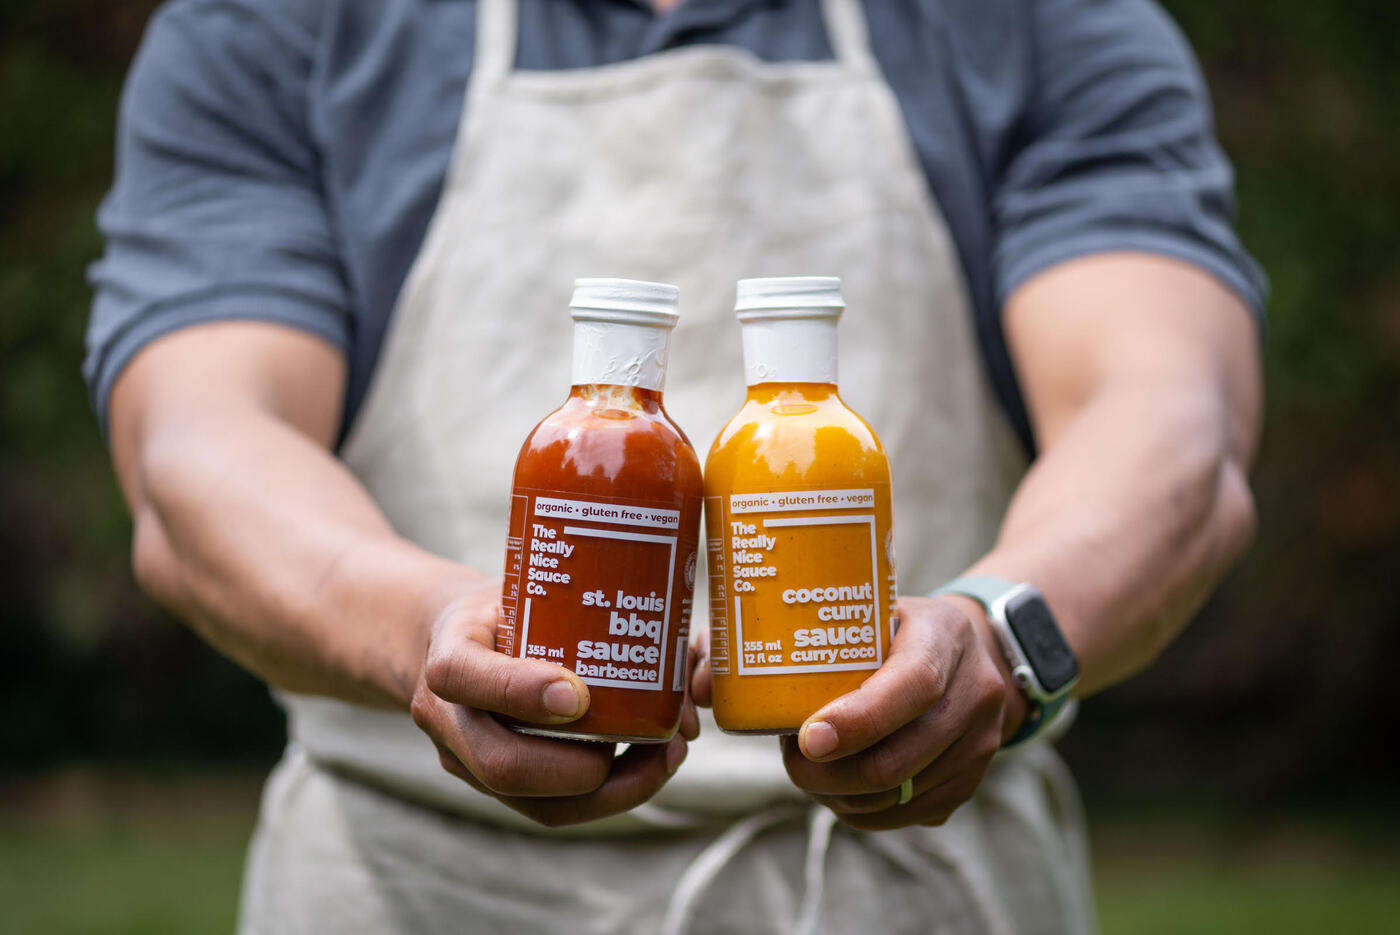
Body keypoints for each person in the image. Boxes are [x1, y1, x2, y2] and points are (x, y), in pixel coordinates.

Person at [85, 0, 1264, 932]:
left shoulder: (1034, 21)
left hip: (911, 883)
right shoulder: (276, 23)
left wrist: (999, 634)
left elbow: (1170, 417)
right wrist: (427, 630)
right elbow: (199, 450)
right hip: (414, 890)